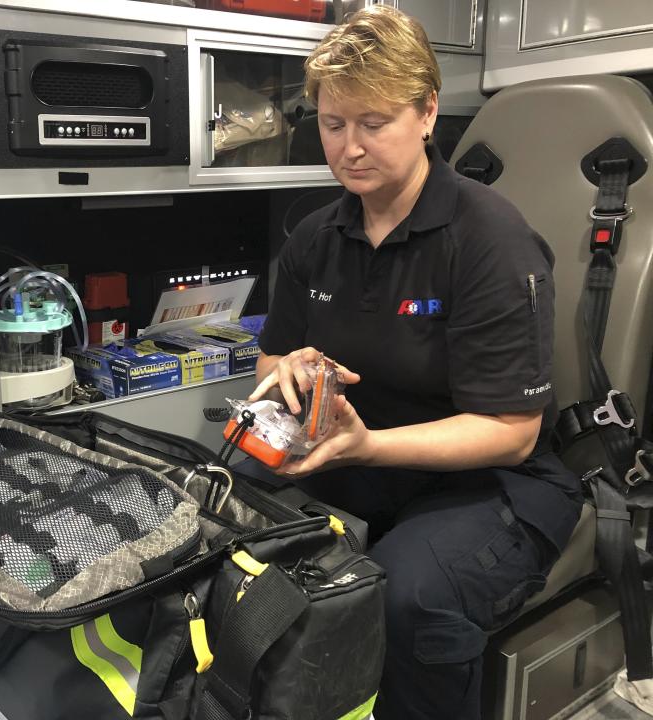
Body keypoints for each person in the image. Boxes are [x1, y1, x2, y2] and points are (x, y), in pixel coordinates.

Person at [249, 6, 583, 720]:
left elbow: (513, 429)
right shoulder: (316, 235)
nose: (350, 148)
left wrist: (366, 445)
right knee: (235, 522)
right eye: (334, 125)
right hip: (362, 459)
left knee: (405, 596)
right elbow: (271, 355)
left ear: (427, 112)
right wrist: (291, 374)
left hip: (496, 482)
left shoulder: (488, 237)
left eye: (374, 124)